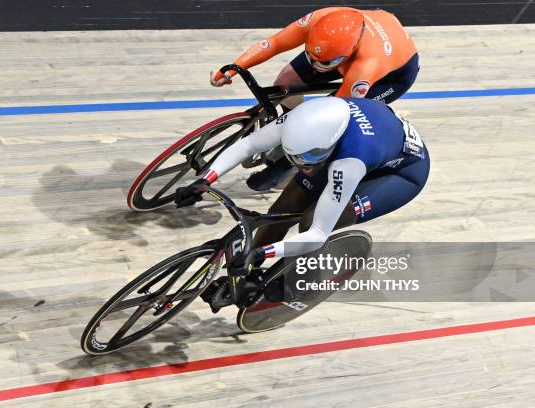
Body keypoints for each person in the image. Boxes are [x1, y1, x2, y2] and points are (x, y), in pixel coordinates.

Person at [174, 96, 429, 310]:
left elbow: (318, 234)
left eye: (308, 157)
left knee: (309, 221)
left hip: (400, 173)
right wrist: (205, 180)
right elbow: (250, 144)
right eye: (294, 157)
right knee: (280, 211)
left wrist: (263, 251)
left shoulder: (349, 162)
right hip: (356, 146)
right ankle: (249, 272)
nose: (301, 165)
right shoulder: (302, 119)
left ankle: (304, 282)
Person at [210, 7, 420, 190]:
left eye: (324, 64)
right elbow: (273, 43)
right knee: (286, 79)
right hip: (337, 51)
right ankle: (286, 129)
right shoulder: (321, 19)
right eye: (311, 56)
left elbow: (335, 113)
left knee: (333, 120)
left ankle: (289, 167)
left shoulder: (367, 66)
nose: (317, 68)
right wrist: (233, 68)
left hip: (392, 76)